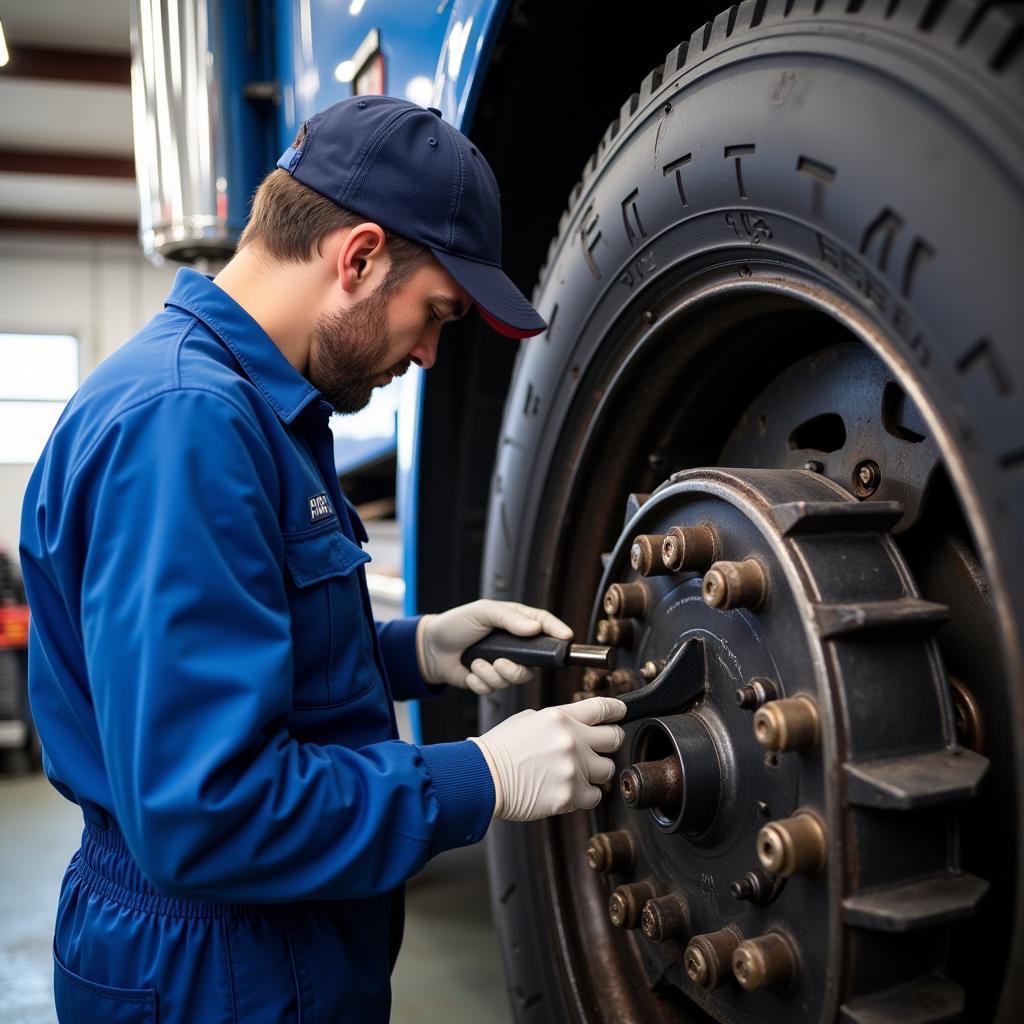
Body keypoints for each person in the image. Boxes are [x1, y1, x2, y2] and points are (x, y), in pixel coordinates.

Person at [19, 96, 626, 1022]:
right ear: (359, 256)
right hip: (211, 969)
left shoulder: (262, 410)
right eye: (435, 315)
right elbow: (207, 808)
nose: (426, 354)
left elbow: (252, 660)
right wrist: (482, 777)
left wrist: (416, 650)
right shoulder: (186, 426)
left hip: (260, 947)